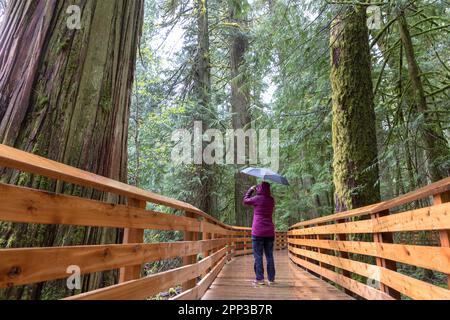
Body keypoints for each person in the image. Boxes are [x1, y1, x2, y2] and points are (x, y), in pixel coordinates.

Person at [243, 181, 275, 286]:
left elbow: (245, 200)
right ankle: (271, 279)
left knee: (258, 256)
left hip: (258, 231)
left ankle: (260, 279)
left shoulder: (257, 199)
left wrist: (251, 190)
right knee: (269, 256)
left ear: (259, 189)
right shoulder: (271, 200)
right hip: (269, 232)